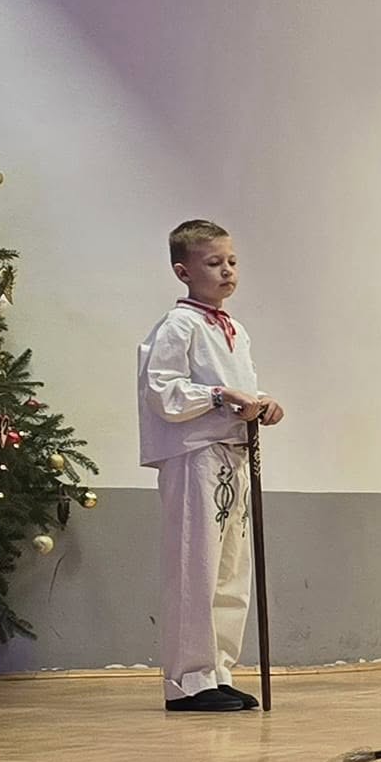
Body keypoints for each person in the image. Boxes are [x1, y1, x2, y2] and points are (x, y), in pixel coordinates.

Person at [138, 219, 284, 713]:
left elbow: (241, 387)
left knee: (230, 570)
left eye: (232, 262)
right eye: (214, 263)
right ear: (183, 272)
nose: (227, 271)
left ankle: (218, 670)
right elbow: (163, 391)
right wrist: (220, 396)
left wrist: (261, 404)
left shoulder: (235, 330)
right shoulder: (177, 326)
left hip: (233, 453)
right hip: (195, 455)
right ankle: (187, 679)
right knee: (195, 565)